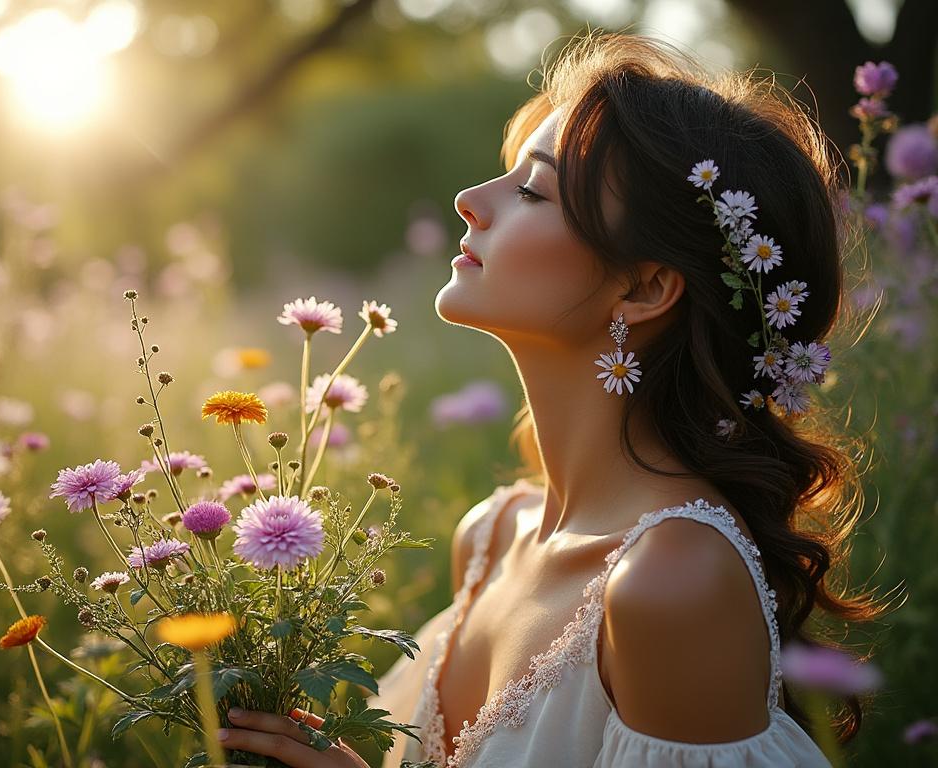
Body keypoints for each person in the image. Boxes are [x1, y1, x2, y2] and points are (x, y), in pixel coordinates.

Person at [217, 29, 885, 767]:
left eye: (532, 189)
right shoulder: (492, 535)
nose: (471, 201)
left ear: (644, 287)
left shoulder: (674, 582)